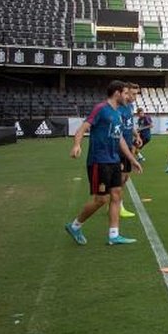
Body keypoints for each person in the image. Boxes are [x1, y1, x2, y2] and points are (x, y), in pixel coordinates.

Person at [65, 80, 142, 246]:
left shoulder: (117, 113)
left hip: (114, 159)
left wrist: (132, 159)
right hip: (99, 161)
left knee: (116, 195)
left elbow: (120, 137)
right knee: (101, 200)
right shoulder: (101, 109)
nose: (128, 96)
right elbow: (83, 128)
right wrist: (77, 144)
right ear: (117, 93)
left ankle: (114, 235)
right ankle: (75, 225)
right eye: (126, 93)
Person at [116, 83, 141, 219]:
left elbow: (129, 125)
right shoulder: (118, 109)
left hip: (128, 146)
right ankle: (118, 206)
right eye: (133, 94)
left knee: (125, 177)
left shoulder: (130, 107)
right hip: (119, 148)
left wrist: (136, 136)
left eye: (136, 94)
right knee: (120, 178)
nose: (135, 97)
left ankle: (116, 204)